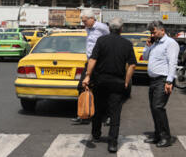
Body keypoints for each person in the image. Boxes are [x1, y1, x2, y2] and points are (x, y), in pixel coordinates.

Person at [82, 18, 137, 153]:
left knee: (98, 108)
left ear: (109, 28)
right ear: (121, 29)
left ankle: (96, 135)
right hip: (117, 82)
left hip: (100, 80)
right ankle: (112, 143)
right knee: (115, 113)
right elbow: (132, 65)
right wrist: (126, 80)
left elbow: (93, 59)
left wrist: (88, 75)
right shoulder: (127, 44)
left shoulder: (101, 41)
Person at [142, 20, 179, 148]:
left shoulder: (170, 43)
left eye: (154, 32)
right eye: (151, 33)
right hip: (153, 81)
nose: (152, 34)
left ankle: (166, 137)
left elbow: (173, 62)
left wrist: (169, 81)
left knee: (158, 107)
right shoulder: (154, 44)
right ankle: (158, 135)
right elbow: (145, 57)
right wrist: (148, 46)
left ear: (162, 30)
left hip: (163, 80)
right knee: (154, 108)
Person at [72, 9, 110, 124]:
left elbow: (110, 40)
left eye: (85, 21)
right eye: (82, 22)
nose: (84, 24)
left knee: (103, 89)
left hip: (100, 63)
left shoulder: (102, 28)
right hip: (89, 62)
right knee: (82, 86)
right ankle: (83, 114)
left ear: (92, 19)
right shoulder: (87, 28)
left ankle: (107, 116)